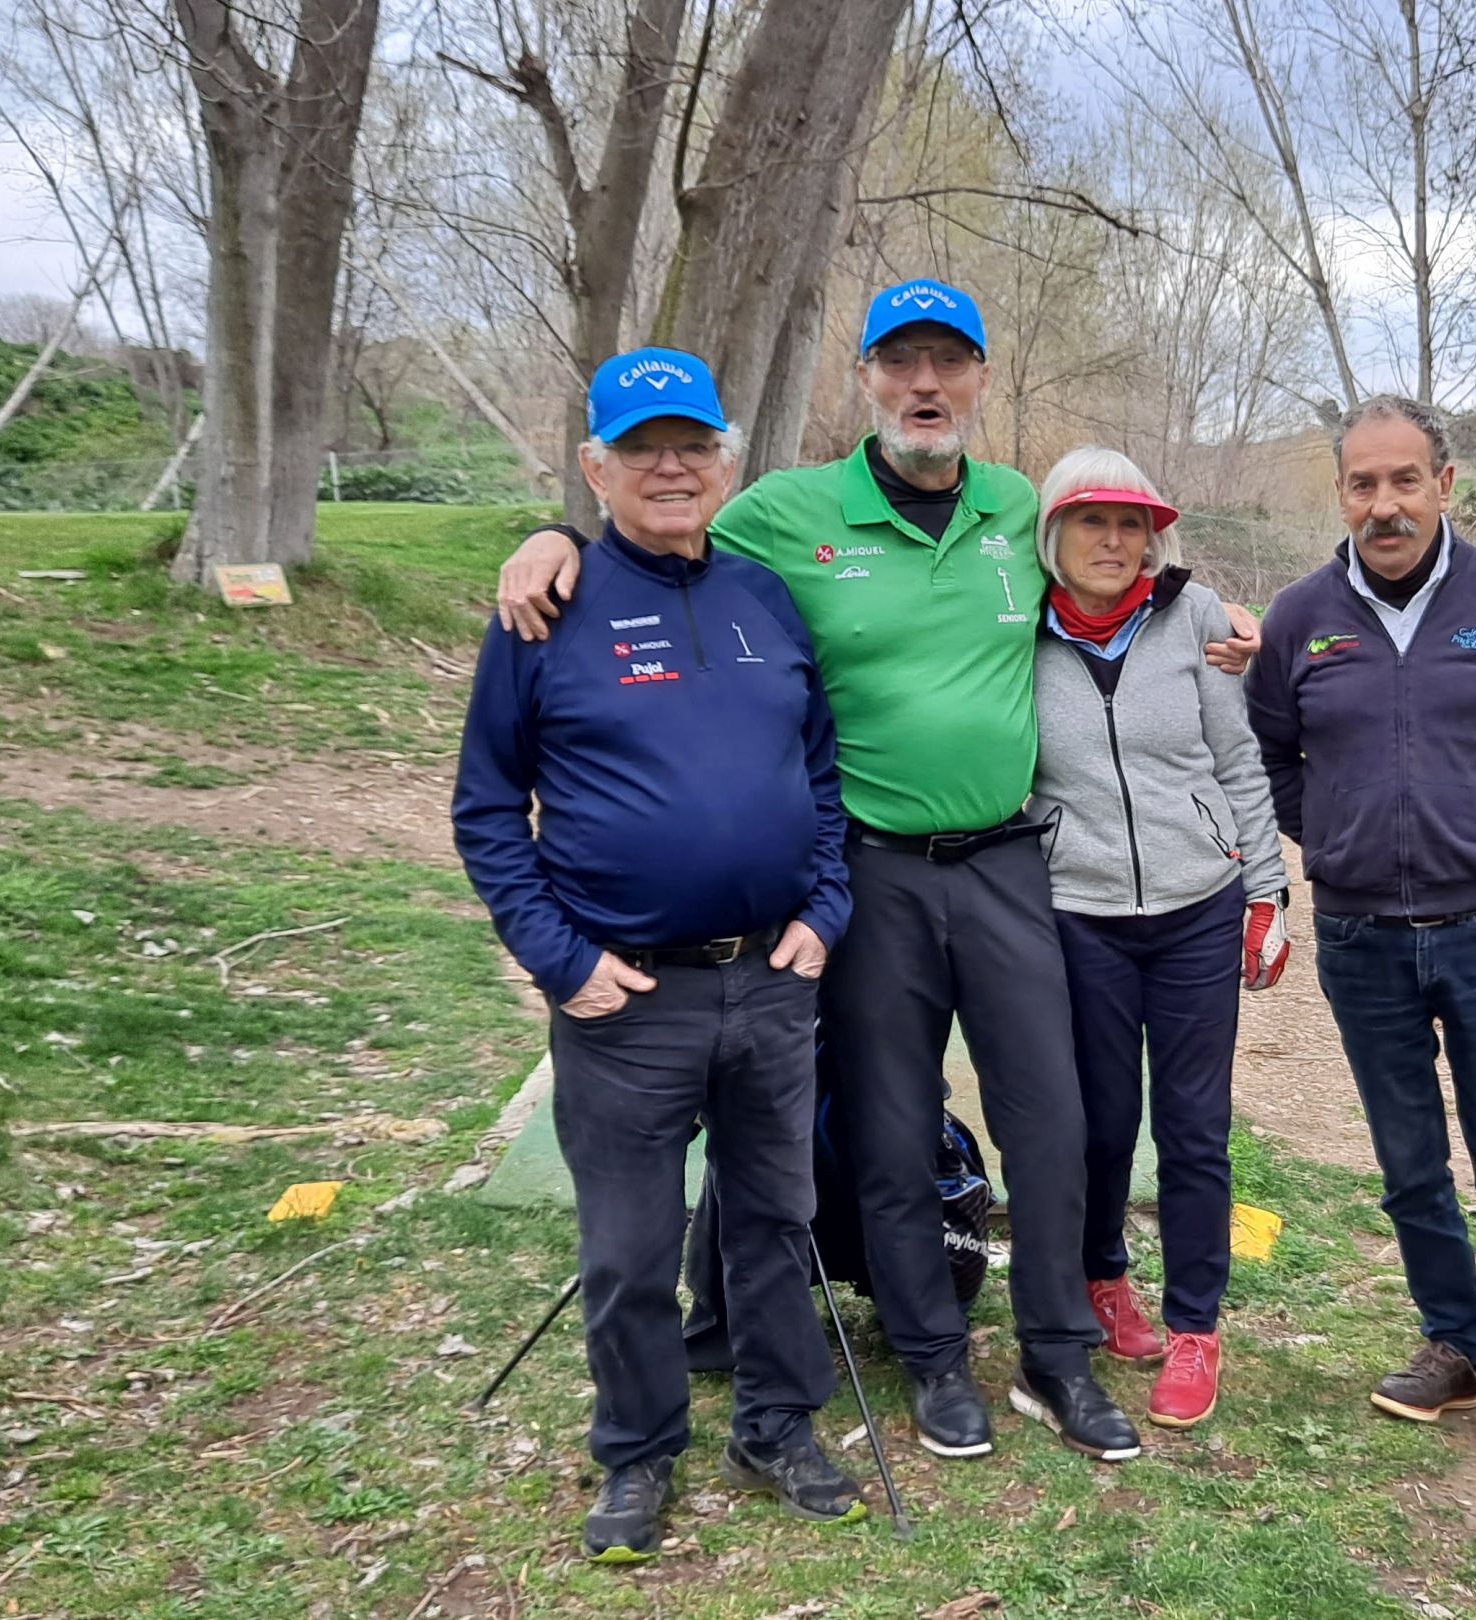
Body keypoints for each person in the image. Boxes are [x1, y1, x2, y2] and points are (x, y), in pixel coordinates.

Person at [492, 280, 1258, 1464]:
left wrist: (1223, 613)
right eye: (901, 363)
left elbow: (1127, 573)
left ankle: (1055, 1357)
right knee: (891, 1130)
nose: (925, 385)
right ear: (866, 380)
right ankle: (935, 1359)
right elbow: (661, 539)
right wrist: (554, 541)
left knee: (1051, 1121)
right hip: (871, 870)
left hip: (1008, 865)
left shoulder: (1017, 508)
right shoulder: (786, 512)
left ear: (981, 380)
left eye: (949, 363)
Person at [451, 348, 863, 1561]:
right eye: (642, 449)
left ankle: (776, 1427)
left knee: (774, 1224)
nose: (671, 467)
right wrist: (559, 959)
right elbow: (487, 808)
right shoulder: (546, 612)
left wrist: (826, 907)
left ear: (724, 460)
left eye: (692, 444)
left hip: (772, 979)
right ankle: (637, 1451)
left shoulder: (764, 597)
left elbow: (821, 775)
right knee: (629, 1252)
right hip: (626, 997)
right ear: (597, 468)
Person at [1242, 394, 1476, 1492]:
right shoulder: (1302, 618)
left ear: (1444, 485)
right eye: (1364, 484)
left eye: (1405, 480)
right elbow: (1271, 751)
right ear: (1341, 494)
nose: (1385, 504)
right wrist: (1338, 834)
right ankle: (1454, 1342)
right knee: (1409, 1165)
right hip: (1360, 937)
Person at [1026, 446, 1291, 1432]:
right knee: (1099, 1123)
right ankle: (1103, 1280)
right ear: (1053, 533)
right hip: (1078, 913)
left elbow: (1239, 761)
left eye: (1132, 524)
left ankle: (1195, 1327)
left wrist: (1267, 891)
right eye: (1092, 522)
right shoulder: (1016, 627)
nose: (1114, 541)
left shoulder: (1197, 617)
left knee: (1193, 1125)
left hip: (1197, 908)